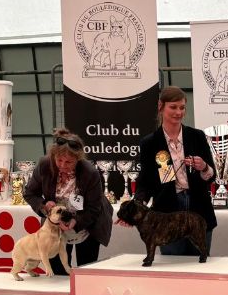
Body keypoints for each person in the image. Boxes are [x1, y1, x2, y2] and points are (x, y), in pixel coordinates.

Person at [133, 86, 217, 255]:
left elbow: (211, 175)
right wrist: (136, 205)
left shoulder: (197, 136)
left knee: (201, 265)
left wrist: (204, 167)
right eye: (173, 107)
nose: (178, 112)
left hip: (199, 209)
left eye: (182, 107)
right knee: (172, 265)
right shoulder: (149, 143)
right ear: (160, 106)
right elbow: (145, 182)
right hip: (167, 214)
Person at [23, 128, 113, 274]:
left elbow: (94, 208)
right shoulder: (45, 165)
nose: (63, 165)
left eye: (69, 162)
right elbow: (30, 193)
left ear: (78, 159)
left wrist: (75, 221)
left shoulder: (90, 172)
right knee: (58, 272)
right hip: (55, 228)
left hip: (88, 225)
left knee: (85, 271)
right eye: (59, 160)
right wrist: (44, 206)